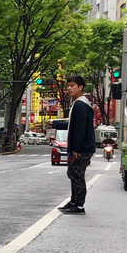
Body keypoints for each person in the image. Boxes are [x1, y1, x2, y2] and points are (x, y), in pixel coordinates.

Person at [50, 75, 95, 215]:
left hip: (81, 149)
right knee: (72, 173)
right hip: (80, 147)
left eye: (72, 86)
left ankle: (79, 205)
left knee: (77, 175)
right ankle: (74, 201)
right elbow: (72, 125)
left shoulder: (81, 105)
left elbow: (80, 128)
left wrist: (76, 148)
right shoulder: (78, 103)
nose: (69, 88)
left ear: (80, 87)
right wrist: (54, 123)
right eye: (68, 85)